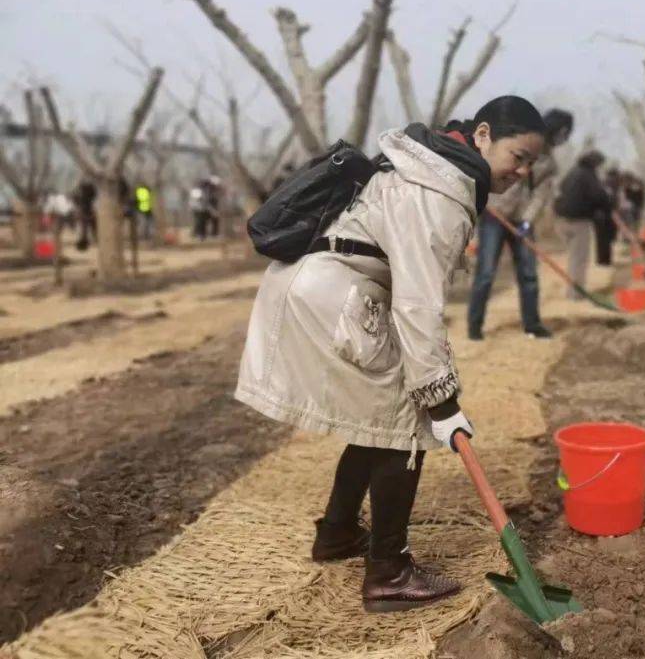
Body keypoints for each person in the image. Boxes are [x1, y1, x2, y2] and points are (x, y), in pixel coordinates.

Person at [234, 95, 546, 613]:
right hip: (334, 293)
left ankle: (336, 533)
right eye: (519, 156)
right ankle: (389, 574)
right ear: (484, 134)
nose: (523, 171)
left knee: (376, 419)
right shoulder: (438, 191)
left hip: (325, 284)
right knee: (407, 423)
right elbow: (418, 304)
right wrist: (441, 402)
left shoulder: (439, 167)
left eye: (533, 163)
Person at [466, 108, 574, 341]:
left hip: (521, 220)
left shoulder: (550, 164)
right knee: (486, 273)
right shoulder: (515, 145)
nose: (561, 139)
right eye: (561, 133)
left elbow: (540, 196)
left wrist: (527, 221)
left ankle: (532, 325)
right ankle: (474, 327)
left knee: (528, 274)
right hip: (495, 214)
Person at [553, 151, 612, 299]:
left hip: (561, 220)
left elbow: (559, 190)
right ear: (595, 163)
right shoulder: (589, 175)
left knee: (573, 257)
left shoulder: (571, 173)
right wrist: (608, 206)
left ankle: (572, 291)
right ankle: (576, 294)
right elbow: (598, 195)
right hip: (579, 221)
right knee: (579, 258)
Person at [593, 167, 621, 267]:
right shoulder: (613, 185)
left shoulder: (602, 183)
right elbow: (612, 200)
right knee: (607, 238)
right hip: (607, 214)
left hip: (598, 215)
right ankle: (606, 260)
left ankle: (601, 260)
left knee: (600, 238)